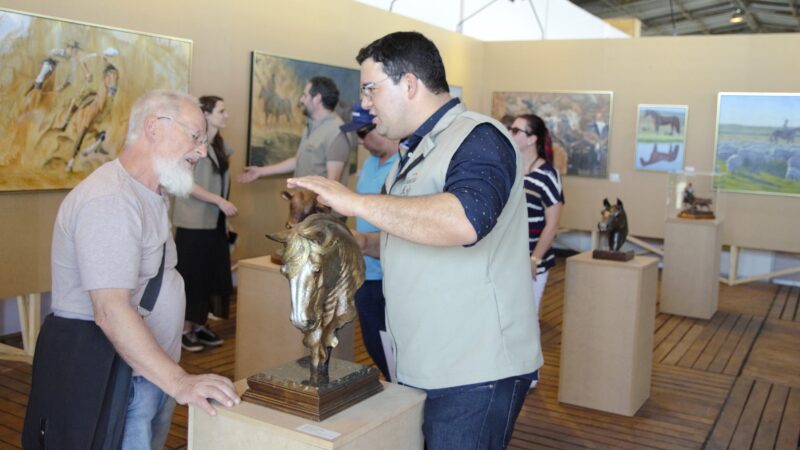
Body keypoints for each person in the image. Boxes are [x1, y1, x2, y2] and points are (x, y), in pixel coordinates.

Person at [288, 31, 541, 450]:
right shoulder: (412, 154)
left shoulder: (480, 138)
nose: (365, 102)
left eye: (371, 89)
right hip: (422, 360)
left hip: (473, 370)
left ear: (409, 84)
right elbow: (403, 236)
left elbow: (464, 221)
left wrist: (356, 201)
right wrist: (345, 238)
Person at [24, 90, 240, 449]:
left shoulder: (149, 194)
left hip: (141, 376)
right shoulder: (111, 199)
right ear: (154, 128)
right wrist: (179, 381)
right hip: (117, 377)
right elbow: (110, 310)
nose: (202, 151)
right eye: (195, 137)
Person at [172, 95, 237, 352]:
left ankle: (199, 325)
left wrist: (223, 216)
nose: (226, 115)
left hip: (215, 224)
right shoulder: (192, 144)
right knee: (192, 278)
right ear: (206, 115)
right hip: (194, 223)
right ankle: (184, 330)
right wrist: (219, 201)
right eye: (221, 110)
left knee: (210, 277)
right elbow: (186, 183)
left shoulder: (220, 145)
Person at [339, 103, 399, 381]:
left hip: (392, 276)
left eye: (364, 133)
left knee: (399, 350)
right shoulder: (370, 165)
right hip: (364, 273)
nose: (360, 142)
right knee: (376, 346)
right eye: (357, 136)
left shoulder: (404, 165)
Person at [238, 76, 350, 184]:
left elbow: (332, 184)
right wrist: (261, 171)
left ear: (317, 99)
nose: (301, 100)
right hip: (302, 202)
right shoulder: (310, 126)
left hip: (317, 204)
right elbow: (298, 161)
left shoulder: (337, 133)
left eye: (305, 96)